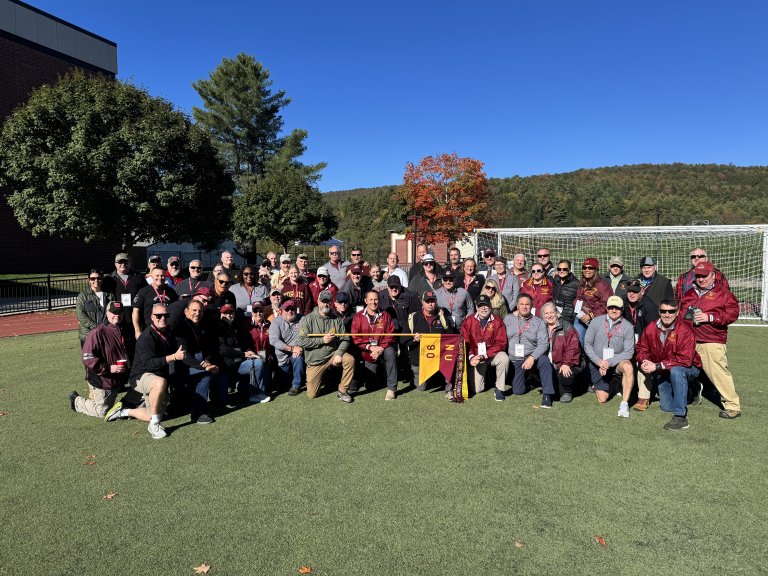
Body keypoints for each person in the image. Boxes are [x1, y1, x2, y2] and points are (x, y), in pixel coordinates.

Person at [679, 260, 741, 419]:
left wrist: (710, 317)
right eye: (698, 276)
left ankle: (732, 406)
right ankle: (690, 394)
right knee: (680, 370)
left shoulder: (724, 293)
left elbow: (732, 314)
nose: (701, 279)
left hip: (711, 341)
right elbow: (681, 315)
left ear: (713, 276)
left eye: (704, 276)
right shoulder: (690, 293)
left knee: (719, 374)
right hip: (690, 340)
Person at [636, 299, 701, 431]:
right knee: (666, 407)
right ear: (659, 312)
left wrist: (658, 366)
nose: (667, 314)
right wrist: (644, 360)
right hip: (665, 369)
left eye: (671, 311)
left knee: (677, 372)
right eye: (663, 311)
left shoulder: (685, 330)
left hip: (689, 367)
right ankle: (692, 391)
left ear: (677, 313)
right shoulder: (651, 327)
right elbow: (642, 348)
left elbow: (686, 360)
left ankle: (680, 417)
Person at [125, 303, 184, 439]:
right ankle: (154, 425)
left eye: (166, 315)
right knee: (159, 382)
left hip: (158, 376)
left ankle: (125, 411)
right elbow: (149, 364)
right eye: (158, 315)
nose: (162, 318)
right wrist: (174, 357)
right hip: (140, 376)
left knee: (151, 414)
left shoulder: (169, 331)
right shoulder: (146, 337)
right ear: (152, 317)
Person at [71, 301, 130, 419]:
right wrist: (109, 368)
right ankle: (76, 401)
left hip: (119, 379)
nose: (117, 315)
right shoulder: (97, 332)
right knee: (102, 412)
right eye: (113, 312)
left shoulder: (125, 329)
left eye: (119, 312)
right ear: (107, 314)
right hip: (103, 379)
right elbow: (87, 357)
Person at [296, 290, 355, 402]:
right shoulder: (308, 319)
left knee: (349, 360)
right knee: (311, 395)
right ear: (318, 302)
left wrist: (338, 353)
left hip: (332, 355)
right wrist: (322, 340)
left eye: (328, 301)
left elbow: (345, 339)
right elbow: (301, 341)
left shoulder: (336, 319)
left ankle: (343, 391)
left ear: (331, 302)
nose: (325, 304)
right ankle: (322, 378)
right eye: (323, 301)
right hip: (315, 361)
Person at [583, 295, 635, 417]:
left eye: (617, 308)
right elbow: (587, 345)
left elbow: (629, 352)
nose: (614, 310)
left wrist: (609, 362)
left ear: (622, 309)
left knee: (628, 366)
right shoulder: (596, 321)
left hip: (616, 363)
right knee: (602, 399)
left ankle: (624, 404)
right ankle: (615, 382)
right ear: (607, 308)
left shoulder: (627, 327)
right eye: (611, 307)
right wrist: (599, 361)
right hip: (598, 362)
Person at [171, 299, 219, 423]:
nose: (197, 313)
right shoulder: (181, 328)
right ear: (186, 312)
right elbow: (184, 356)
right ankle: (198, 413)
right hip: (182, 367)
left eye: (200, 311)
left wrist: (207, 361)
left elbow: (210, 348)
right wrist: (203, 366)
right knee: (205, 375)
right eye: (194, 310)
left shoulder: (204, 326)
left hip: (200, 362)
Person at [504, 293, 555, 407]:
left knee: (544, 361)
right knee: (518, 391)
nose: (524, 306)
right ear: (517, 305)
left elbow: (544, 344)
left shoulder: (538, 322)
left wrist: (532, 357)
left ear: (531, 306)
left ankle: (547, 394)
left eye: (527, 304)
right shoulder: (508, 319)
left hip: (532, 357)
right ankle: (530, 380)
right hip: (516, 360)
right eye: (521, 304)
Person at [403, 290, 457, 399]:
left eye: (432, 301)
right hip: (420, 359)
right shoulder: (413, 317)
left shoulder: (442, 317)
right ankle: (433, 378)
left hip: (439, 357)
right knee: (421, 388)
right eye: (427, 301)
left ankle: (448, 387)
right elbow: (403, 339)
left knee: (450, 362)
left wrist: (443, 318)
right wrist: (413, 339)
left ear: (436, 302)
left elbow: (450, 336)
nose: (430, 304)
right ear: (422, 302)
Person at [351, 291, 398, 400]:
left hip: (383, 347)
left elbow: (390, 335)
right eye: (371, 299)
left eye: (375, 299)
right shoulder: (358, 317)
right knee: (371, 386)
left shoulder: (386, 315)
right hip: (368, 350)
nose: (373, 302)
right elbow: (356, 338)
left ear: (379, 300)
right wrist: (370, 347)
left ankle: (392, 389)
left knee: (391, 353)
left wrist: (380, 348)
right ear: (366, 301)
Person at [461, 294, 508, 400]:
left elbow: (501, 343)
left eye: (486, 305)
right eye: (480, 305)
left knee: (504, 358)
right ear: (476, 307)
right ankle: (488, 378)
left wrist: (485, 355)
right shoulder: (469, 320)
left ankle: (500, 389)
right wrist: (472, 356)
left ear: (490, 306)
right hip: (476, 356)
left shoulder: (497, 321)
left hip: (491, 355)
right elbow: (465, 341)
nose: (483, 308)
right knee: (477, 389)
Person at [622, 278, 659, 411]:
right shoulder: (624, 304)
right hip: (628, 342)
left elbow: (654, 332)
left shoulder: (649, 306)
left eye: (635, 291)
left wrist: (643, 348)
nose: (632, 294)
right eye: (629, 291)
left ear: (642, 292)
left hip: (646, 344)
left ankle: (643, 397)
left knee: (643, 361)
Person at [378, 275, 421, 380]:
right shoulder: (380, 296)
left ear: (400, 286)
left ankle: (406, 373)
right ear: (387, 287)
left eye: (396, 286)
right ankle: (385, 374)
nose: (394, 289)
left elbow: (417, 314)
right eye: (391, 286)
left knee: (405, 353)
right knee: (388, 352)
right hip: (387, 330)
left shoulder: (409, 295)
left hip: (405, 329)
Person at [541, 302, 582, 403]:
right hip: (549, 362)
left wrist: (566, 363)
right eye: (546, 313)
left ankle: (568, 391)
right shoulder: (541, 327)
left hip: (564, 362)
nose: (549, 315)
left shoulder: (566, 326)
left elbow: (574, 347)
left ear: (556, 313)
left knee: (565, 374)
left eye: (552, 312)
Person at [102, 253, 145, 342]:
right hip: (117, 318)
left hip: (135, 318)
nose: (123, 265)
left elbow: (145, 294)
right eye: (120, 262)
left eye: (125, 262)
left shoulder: (138, 277)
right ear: (115, 264)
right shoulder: (109, 279)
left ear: (129, 263)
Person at [237, 302, 273, 404]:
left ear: (264, 311)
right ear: (252, 312)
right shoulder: (246, 324)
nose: (258, 313)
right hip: (251, 357)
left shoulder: (268, 324)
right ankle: (256, 394)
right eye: (255, 311)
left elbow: (272, 342)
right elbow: (242, 342)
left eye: (260, 311)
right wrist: (249, 352)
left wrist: (270, 355)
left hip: (265, 357)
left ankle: (245, 386)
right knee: (258, 365)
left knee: (268, 386)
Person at [269, 299, 305, 396]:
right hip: (282, 360)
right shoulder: (276, 322)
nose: (290, 311)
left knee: (298, 357)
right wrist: (292, 349)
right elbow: (273, 340)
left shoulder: (303, 319)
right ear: (282, 310)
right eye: (287, 309)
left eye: (292, 309)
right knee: (282, 386)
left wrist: (300, 347)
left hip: (298, 354)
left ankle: (296, 385)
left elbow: (308, 336)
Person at [573, 258, 612, 344]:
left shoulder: (602, 286)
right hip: (581, 317)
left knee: (594, 343)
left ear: (596, 269)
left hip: (595, 320)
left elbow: (606, 305)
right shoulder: (582, 283)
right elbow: (578, 298)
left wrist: (590, 315)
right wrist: (580, 308)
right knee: (578, 340)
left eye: (590, 268)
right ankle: (584, 357)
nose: (587, 270)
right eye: (584, 267)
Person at [132, 267, 178, 339]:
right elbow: (135, 311)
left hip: (168, 330)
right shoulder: (144, 291)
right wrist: (137, 330)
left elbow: (176, 310)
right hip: (149, 330)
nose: (160, 278)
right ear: (151, 277)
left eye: (162, 275)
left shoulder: (171, 292)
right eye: (157, 275)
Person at [76, 270, 113, 347]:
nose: (96, 280)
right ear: (89, 280)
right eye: (93, 278)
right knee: (90, 358)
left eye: (98, 278)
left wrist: (105, 327)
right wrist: (96, 327)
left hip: (105, 333)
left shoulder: (109, 295)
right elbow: (81, 315)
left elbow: (112, 312)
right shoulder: (83, 296)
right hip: (88, 335)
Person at [551, 259, 579, 324]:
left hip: (568, 318)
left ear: (569, 270)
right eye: (559, 269)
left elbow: (579, 302)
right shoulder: (555, 279)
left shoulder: (576, 284)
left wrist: (574, 316)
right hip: (555, 315)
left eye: (564, 269)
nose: (561, 271)